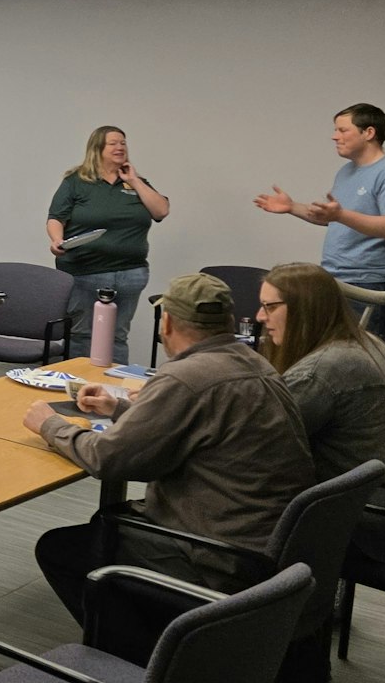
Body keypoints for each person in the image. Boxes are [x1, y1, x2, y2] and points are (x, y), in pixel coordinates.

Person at [23, 272, 313, 661]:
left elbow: (107, 459)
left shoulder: (185, 376)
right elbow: (196, 429)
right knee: (105, 526)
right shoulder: (256, 365)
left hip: (216, 556)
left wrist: (49, 424)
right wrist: (120, 408)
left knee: (63, 548)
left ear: (169, 322)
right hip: (266, 547)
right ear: (227, 322)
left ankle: (144, 663)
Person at [256, 261, 385, 564]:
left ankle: (273, 604)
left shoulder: (321, 371)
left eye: (269, 307)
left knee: (240, 502)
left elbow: (256, 442)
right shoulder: (367, 344)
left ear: (304, 309)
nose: (259, 317)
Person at [254, 104, 385, 332]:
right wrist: (292, 207)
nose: (334, 136)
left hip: (368, 283)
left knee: (359, 360)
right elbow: (333, 218)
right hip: (333, 279)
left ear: (369, 133)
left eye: (342, 130)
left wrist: (340, 214)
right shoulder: (347, 172)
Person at [46, 125, 169, 364]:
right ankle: (78, 384)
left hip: (130, 272)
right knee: (82, 334)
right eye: (113, 143)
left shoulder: (136, 182)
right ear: (97, 148)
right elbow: (55, 218)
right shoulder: (77, 181)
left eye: (123, 142)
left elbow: (161, 210)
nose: (120, 147)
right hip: (84, 271)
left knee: (117, 335)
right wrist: (56, 240)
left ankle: (114, 391)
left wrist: (134, 180)